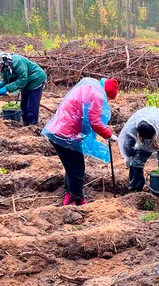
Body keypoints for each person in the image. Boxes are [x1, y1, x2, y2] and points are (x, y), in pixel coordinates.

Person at [41, 77, 119, 206]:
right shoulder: (97, 95)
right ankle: (78, 200)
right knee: (77, 169)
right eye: (109, 98)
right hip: (66, 135)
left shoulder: (88, 87)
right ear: (107, 93)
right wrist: (109, 135)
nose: (108, 101)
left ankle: (69, 195)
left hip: (57, 130)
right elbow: (95, 122)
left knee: (71, 167)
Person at [0, 52, 47, 126]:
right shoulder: (4, 66)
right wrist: (0, 85)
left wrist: (7, 88)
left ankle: (33, 126)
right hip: (26, 82)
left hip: (36, 79)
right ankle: (26, 125)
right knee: (23, 106)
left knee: (31, 106)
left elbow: (23, 79)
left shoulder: (17, 62)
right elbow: (6, 80)